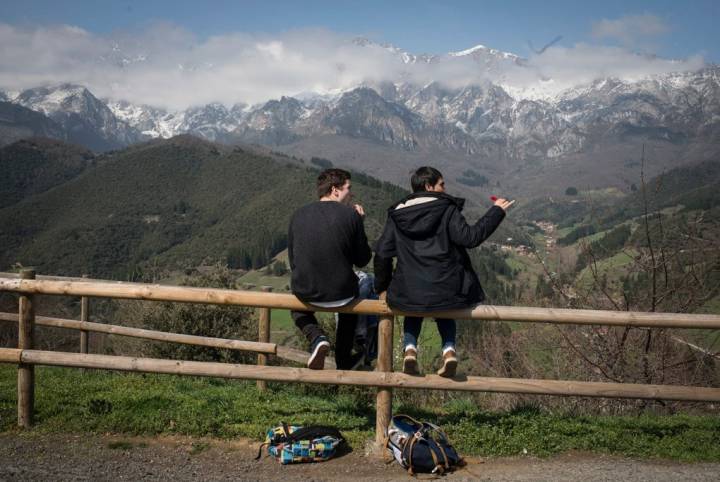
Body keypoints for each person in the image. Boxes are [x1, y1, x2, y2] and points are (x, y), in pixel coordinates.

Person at [373, 166, 514, 377]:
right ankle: (449, 351)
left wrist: (382, 286)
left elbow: (382, 253)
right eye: (441, 184)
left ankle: (410, 349)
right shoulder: (447, 209)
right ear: (429, 186)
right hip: (446, 286)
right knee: (444, 304)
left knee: (414, 304)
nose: (444, 188)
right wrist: (496, 211)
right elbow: (471, 238)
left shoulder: (397, 214)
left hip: (410, 289)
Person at [288, 168, 372, 370]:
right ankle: (345, 357)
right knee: (358, 294)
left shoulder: (298, 215)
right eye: (348, 188)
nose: (351, 194)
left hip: (306, 291)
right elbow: (362, 260)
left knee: (294, 307)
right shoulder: (351, 216)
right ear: (335, 190)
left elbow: (293, 261)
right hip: (342, 293)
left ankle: (316, 337)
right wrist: (360, 223)